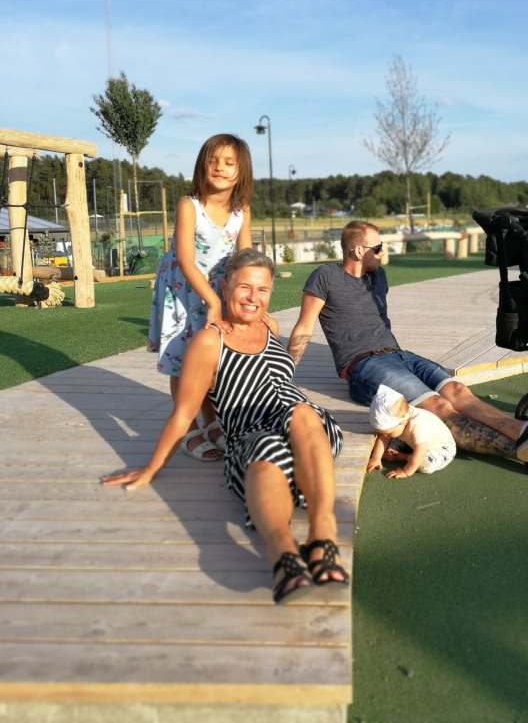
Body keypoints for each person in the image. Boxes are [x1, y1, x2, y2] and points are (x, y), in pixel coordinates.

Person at [104, 249, 349, 605]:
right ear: (224, 287)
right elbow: (183, 413)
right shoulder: (209, 342)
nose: (253, 297)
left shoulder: (270, 326)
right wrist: (151, 468)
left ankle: (322, 535)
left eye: (262, 289)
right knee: (265, 450)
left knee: (301, 413)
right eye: (245, 287)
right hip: (249, 437)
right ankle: (284, 557)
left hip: (308, 431)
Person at [287, 220, 528, 478]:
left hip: (399, 354)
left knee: (458, 390)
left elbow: (380, 319)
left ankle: (524, 431)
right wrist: (285, 376)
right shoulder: (325, 277)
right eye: (378, 248)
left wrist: (377, 263)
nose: (383, 252)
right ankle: (523, 447)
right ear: (356, 251)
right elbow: (303, 328)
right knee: (438, 407)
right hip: (364, 365)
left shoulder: (377, 277)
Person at [148, 133, 253, 461]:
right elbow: (185, 258)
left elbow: (246, 258)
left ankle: (211, 421)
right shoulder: (189, 205)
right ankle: (189, 428)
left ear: (241, 170)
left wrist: (251, 297)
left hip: (217, 291)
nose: (219, 167)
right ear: (201, 165)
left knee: (210, 361)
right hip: (184, 290)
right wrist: (213, 301)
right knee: (182, 360)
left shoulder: (241, 212)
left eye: (229, 162)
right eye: (213, 160)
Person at [366, 384, 456, 479]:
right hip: (413, 440)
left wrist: (405, 471)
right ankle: (396, 451)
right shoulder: (400, 421)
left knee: (426, 464)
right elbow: (384, 436)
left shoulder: (418, 426)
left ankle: (404, 456)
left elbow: (420, 452)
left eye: (388, 432)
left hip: (441, 448)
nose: (385, 435)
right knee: (393, 437)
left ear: (402, 422)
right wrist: (376, 458)